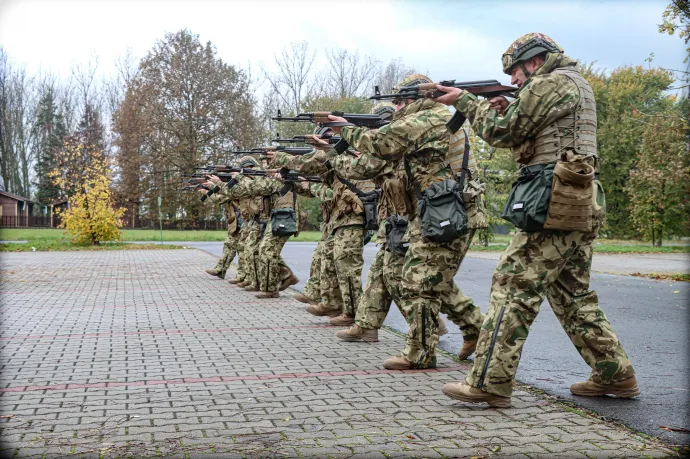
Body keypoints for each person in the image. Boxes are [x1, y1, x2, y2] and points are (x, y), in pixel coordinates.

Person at [431, 33, 638, 407]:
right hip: (573, 203)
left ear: (535, 61)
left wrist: (464, 100)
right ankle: (615, 373)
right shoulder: (569, 82)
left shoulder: (552, 82)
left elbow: (503, 132)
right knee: (572, 295)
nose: (513, 80)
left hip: (554, 205)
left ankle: (489, 383)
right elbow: (522, 130)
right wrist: (497, 107)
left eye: (515, 71)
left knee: (513, 285)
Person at [328, 74, 485, 370]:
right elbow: (372, 161)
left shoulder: (430, 118)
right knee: (426, 281)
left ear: (418, 99)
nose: (397, 106)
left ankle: (423, 351)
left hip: (447, 214)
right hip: (436, 213)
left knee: (419, 282)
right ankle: (474, 330)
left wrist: (345, 130)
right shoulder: (428, 119)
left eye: (402, 100)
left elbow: (381, 144)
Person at [203, 192, 240, 280]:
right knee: (229, 246)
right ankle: (221, 269)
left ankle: (242, 274)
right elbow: (216, 200)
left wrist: (210, 190)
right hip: (235, 222)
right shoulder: (227, 187)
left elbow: (220, 198)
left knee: (241, 250)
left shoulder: (232, 188)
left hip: (241, 221)